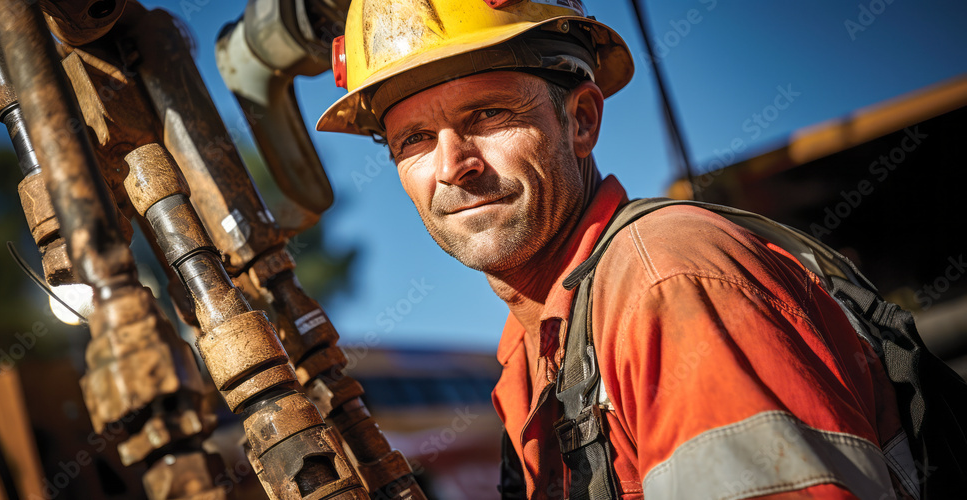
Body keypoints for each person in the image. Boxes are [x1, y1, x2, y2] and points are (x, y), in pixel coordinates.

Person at [316, 1, 916, 498]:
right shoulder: (531, 357)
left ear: (581, 121)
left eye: (489, 114)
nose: (452, 166)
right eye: (415, 139)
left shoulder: (670, 284)